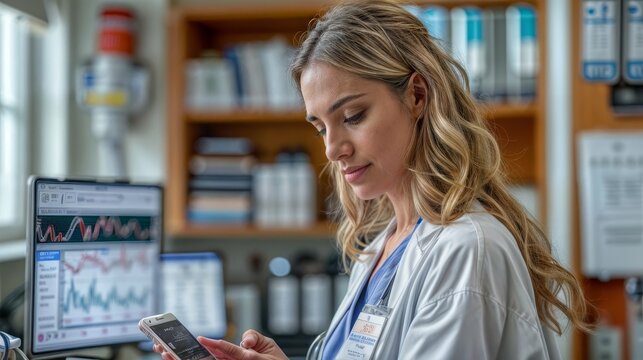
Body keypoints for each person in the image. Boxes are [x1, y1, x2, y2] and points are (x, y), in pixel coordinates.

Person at [155, 0, 591, 359]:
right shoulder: (381, 248)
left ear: (417, 95)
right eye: (321, 127)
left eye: (353, 116)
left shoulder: (465, 250)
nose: (332, 148)